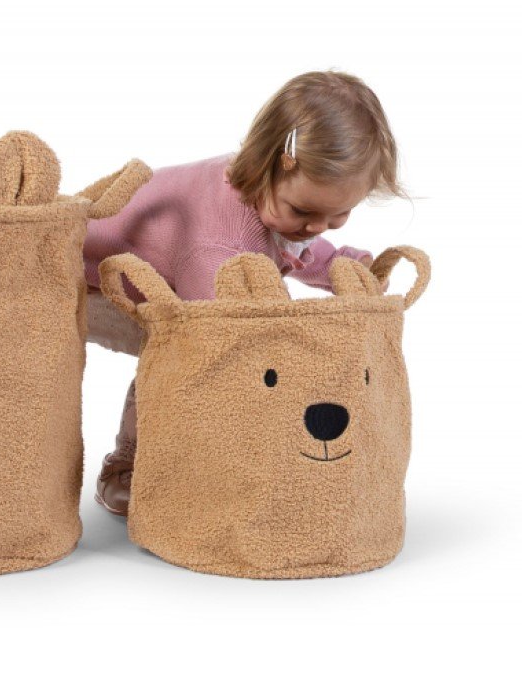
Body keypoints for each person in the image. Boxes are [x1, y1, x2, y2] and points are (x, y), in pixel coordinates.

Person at [84, 70, 408, 516]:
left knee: (222, 364)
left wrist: (340, 266)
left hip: (159, 278)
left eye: (339, 216)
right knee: (182, 359)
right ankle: (129, 464)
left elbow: (298, 247)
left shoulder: (275, 196)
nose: (317, 227)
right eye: (304, 211)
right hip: (87, 279)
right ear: (269, 163)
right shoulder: (219, 242)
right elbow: (213, 333)